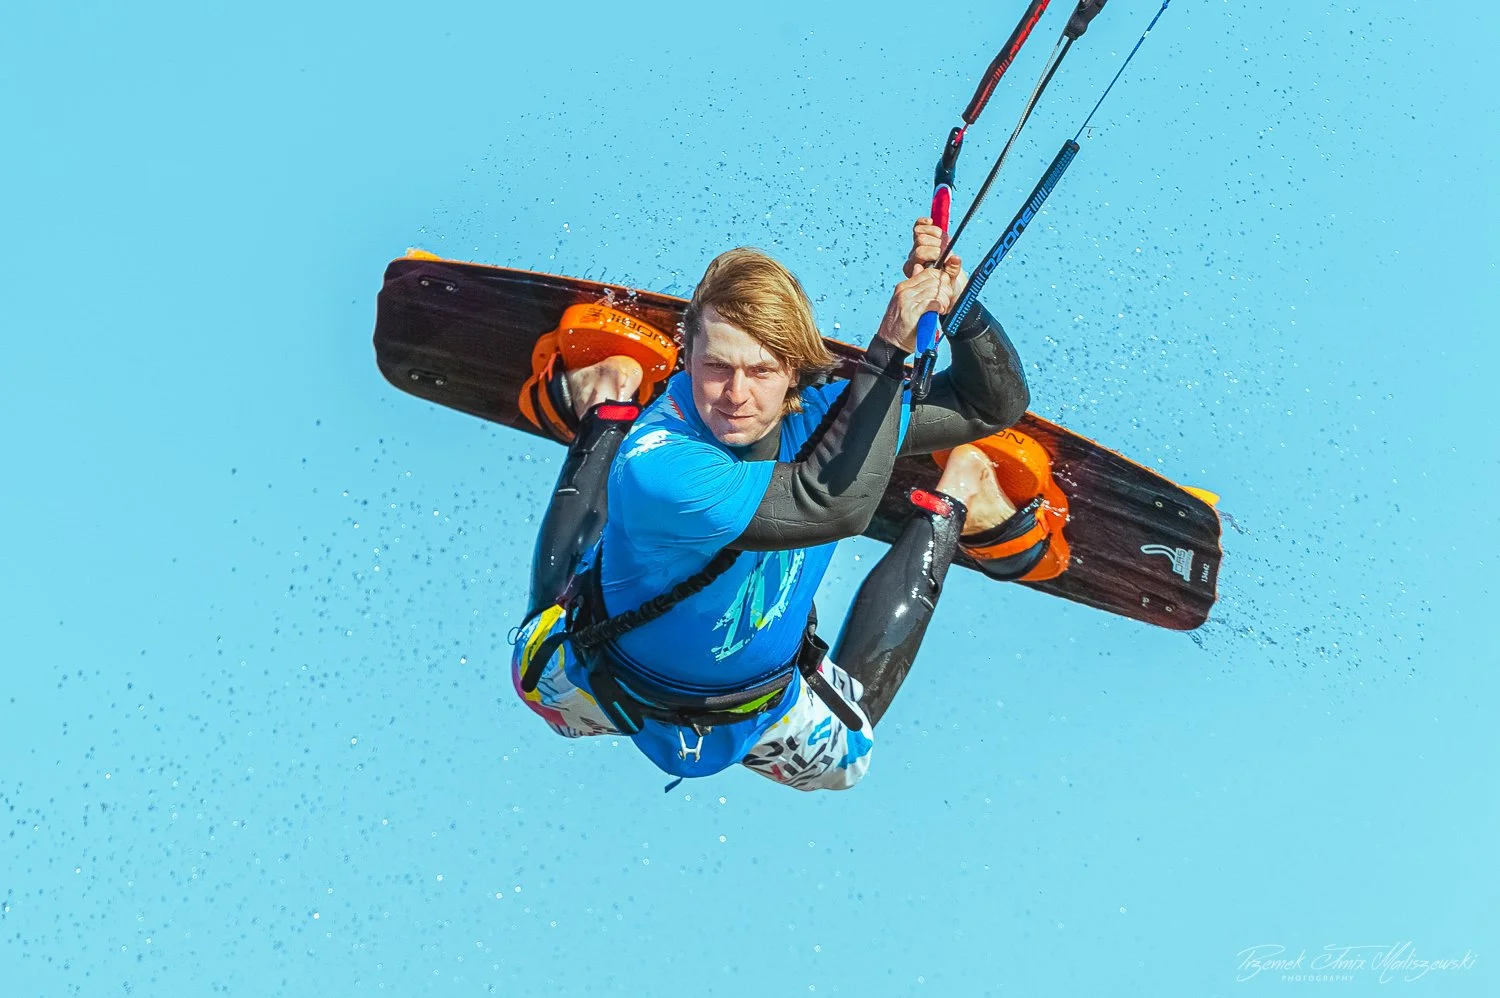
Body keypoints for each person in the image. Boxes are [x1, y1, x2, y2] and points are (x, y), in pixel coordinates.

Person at [511, 219, 1058, 790]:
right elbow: (832, 507)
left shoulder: (820, 415)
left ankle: (965, 480)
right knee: (538, 643)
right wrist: (890, 352)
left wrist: (956, 306)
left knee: (851, 760)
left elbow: (994, 402)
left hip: (758, 707)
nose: (736, 395)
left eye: (761, 371)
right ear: (686, 353)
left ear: (794, 369)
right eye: (716, 366)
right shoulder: (659, 463)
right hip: (610, 684)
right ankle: (608, 394)